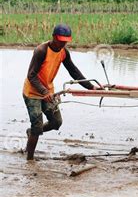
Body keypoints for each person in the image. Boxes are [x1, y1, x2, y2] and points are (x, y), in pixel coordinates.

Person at [23, 24, 99, 162]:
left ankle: (31, 132)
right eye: (60, 41)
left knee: (56, 122)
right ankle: (30, 160)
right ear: (53, 37)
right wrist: (43, 91)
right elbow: (31, 75)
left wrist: (90, 86)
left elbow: (73, 71)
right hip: (33, 92)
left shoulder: (64, 52)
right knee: (37, 125)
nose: (62, 44)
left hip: (48, 91)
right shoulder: (41, 51)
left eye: (65, 41)